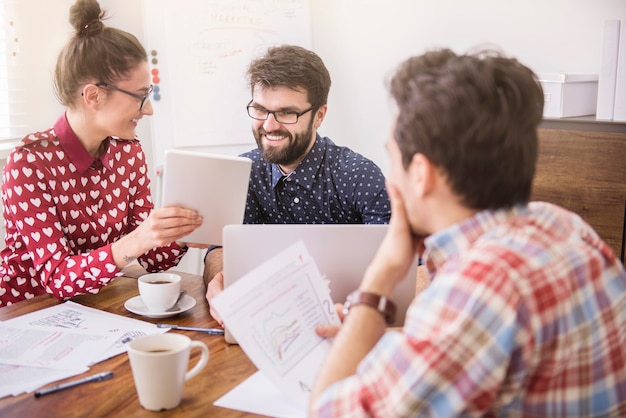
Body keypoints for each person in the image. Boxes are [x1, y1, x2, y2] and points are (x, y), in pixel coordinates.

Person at [309, 48, 626, 417]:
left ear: (421, 174)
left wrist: (378, 283)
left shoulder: (480, 288)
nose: (389, 176)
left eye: (391, 157)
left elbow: (327, 412)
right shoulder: (563, 224)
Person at [0, 0, 203, 307]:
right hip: (27, 312)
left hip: (97, 306)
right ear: (93, 95)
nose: (148, 109)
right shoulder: (29, 163)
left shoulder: (129, 152)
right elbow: (57, 277)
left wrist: (181, 231)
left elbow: (152, 258)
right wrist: (138, 238)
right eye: (140, 96)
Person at [204, 45, 391, 324]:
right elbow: (219, 248)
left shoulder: (359, 176)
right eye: (260, 109)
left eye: (287, 113)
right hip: (266, 322)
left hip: (349, 326)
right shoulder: (244, 172)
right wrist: (219, 281)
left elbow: (409, 267)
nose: (269, 125)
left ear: (319, 115)